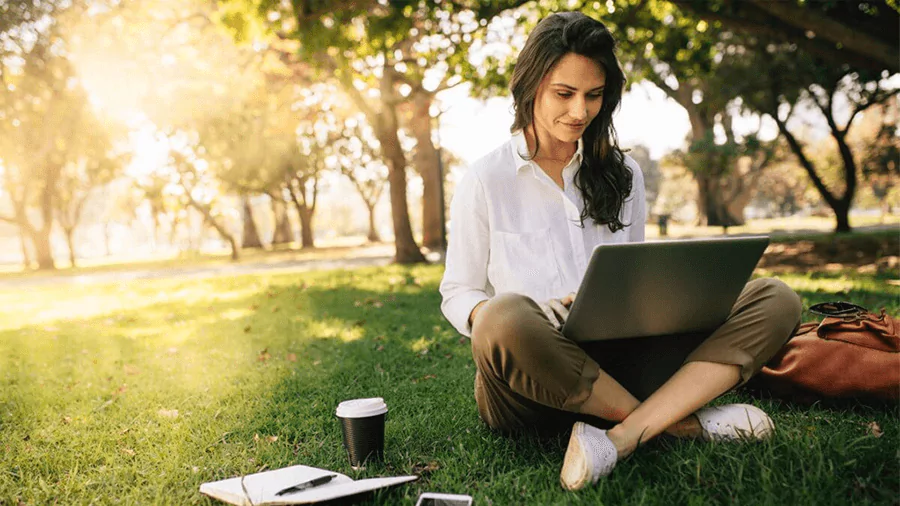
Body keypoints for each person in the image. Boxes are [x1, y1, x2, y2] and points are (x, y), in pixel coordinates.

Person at [438, 11, 802, 491]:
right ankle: (681, 423)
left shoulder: (623, 175)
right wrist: (536, 310)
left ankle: (626, 433)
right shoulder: (486, 178)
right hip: (537, 377)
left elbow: (636, 277)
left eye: (594, 95)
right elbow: (458, 292)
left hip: (623, 361)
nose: (579, 112)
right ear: (530, 86)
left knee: (777, 297)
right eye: (564, 94)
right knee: (502, 317)